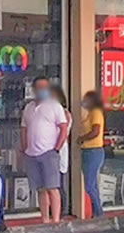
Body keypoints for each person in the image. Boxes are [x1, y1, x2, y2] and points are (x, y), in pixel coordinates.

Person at [21, 78, 68, 224]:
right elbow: (24, 128)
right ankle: (45, 219)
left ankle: (56, 220)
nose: (43, 90)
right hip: (32, 154)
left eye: (46, 87)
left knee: (52, 188)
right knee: (40, 189)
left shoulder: (55, 106)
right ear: (34, 89)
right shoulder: (29, 108)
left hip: (49, 153)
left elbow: (63, 128)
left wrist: (57, 149)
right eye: (40, 87)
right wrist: (24, 147)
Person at [77, 91, 106, 217]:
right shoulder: (90, 114)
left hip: (94, 151)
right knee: (92, 184)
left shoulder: (96, 113)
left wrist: (82, 138)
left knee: (89, 186)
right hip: (88, 151)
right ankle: (96, 212)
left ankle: (99, 212)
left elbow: (95, 131)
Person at [53, 86, 73, 218]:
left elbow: (63, 133)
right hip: (51, 149)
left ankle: (62, 209)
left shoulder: (65, 114)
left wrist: (56, 148)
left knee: (59, 181)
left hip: (59, 149)